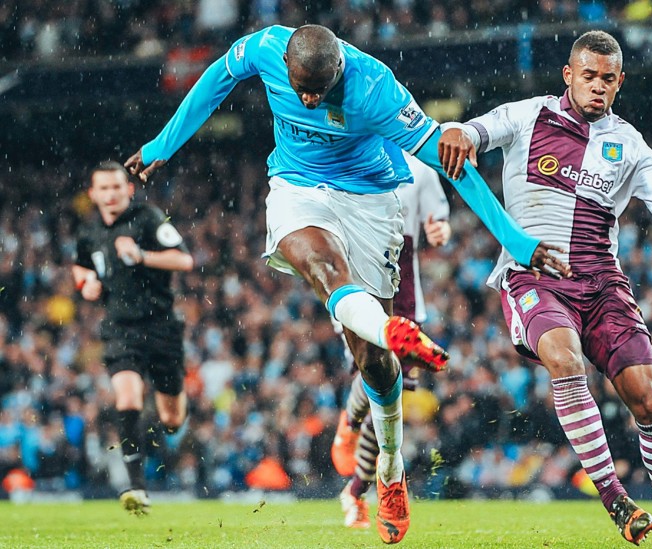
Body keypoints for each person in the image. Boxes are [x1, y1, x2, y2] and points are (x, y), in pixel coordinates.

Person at [124, 25, 568, 544]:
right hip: (295, 187)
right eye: (300, 88)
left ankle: (390, 468)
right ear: (286, 62)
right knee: (321, 268)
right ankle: (392, 329)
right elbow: (216, 79)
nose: (308, 99)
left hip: (368, 201)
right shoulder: (266, 47)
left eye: (319, 90)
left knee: (374, 365)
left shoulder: (374, 88)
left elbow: (454, 167)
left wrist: (515, 242)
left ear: (339, 71)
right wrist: (163, 143)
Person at [438, 30, 652, 548]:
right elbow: (469, 129)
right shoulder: (527, 115)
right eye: (589, 76)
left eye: (608, 79)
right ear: (568, 75)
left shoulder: (628, 144)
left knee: (648, 402)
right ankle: (616, 500)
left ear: (620, 81)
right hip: (535, 277)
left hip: (603, 283)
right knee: (564, 359)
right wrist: (455, 130)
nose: (598, 87)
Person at [332, 150, 451, 529]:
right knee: (376, 380)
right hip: (357, 284)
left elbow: (439, 219)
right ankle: (350, 427)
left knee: (388, 393)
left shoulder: (417, 167)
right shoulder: (345, 153)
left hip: (405, 293)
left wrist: (441, 231)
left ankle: (355, 491)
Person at [71, 161, 194, 515]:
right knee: (127, 395)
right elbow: (80, 266)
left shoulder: (148, 218)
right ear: (93, 194)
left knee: (171, 419)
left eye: (116, 187)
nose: (110, 195)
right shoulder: (89, 232)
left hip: (161, 327)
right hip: (120, 328)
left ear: (129, 189)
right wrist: (85, 283)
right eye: (103, 189)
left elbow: (183, 260)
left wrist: (142, 255)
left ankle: (172, 407)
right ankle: (136, 487)